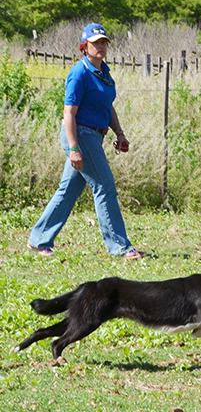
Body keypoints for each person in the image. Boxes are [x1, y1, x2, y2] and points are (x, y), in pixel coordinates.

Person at [27, 23, 144, 259]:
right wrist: (73, 148)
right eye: (95, 42)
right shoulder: (79, 73)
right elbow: (69, 113)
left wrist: (119, 133)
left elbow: (107, 105)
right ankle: (120, 247)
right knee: (104, 186)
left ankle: (38, 240)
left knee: (68, 189)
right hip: (81, 135)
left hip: (96, 135)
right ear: (84, 46)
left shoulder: (104, 71)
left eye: (103, 42)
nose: (100, 46)